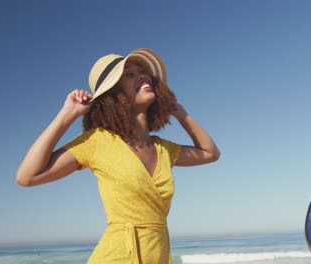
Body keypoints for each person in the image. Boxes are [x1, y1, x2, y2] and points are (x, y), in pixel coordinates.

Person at [16, 48, 220, 263]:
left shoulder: (163, 149)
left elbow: (210, 153)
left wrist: (179, 112)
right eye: (129, 74)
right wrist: (67, 115)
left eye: (143, 71)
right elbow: (26, 177)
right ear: (114, 93)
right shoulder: (97, 141)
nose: (142, 75)